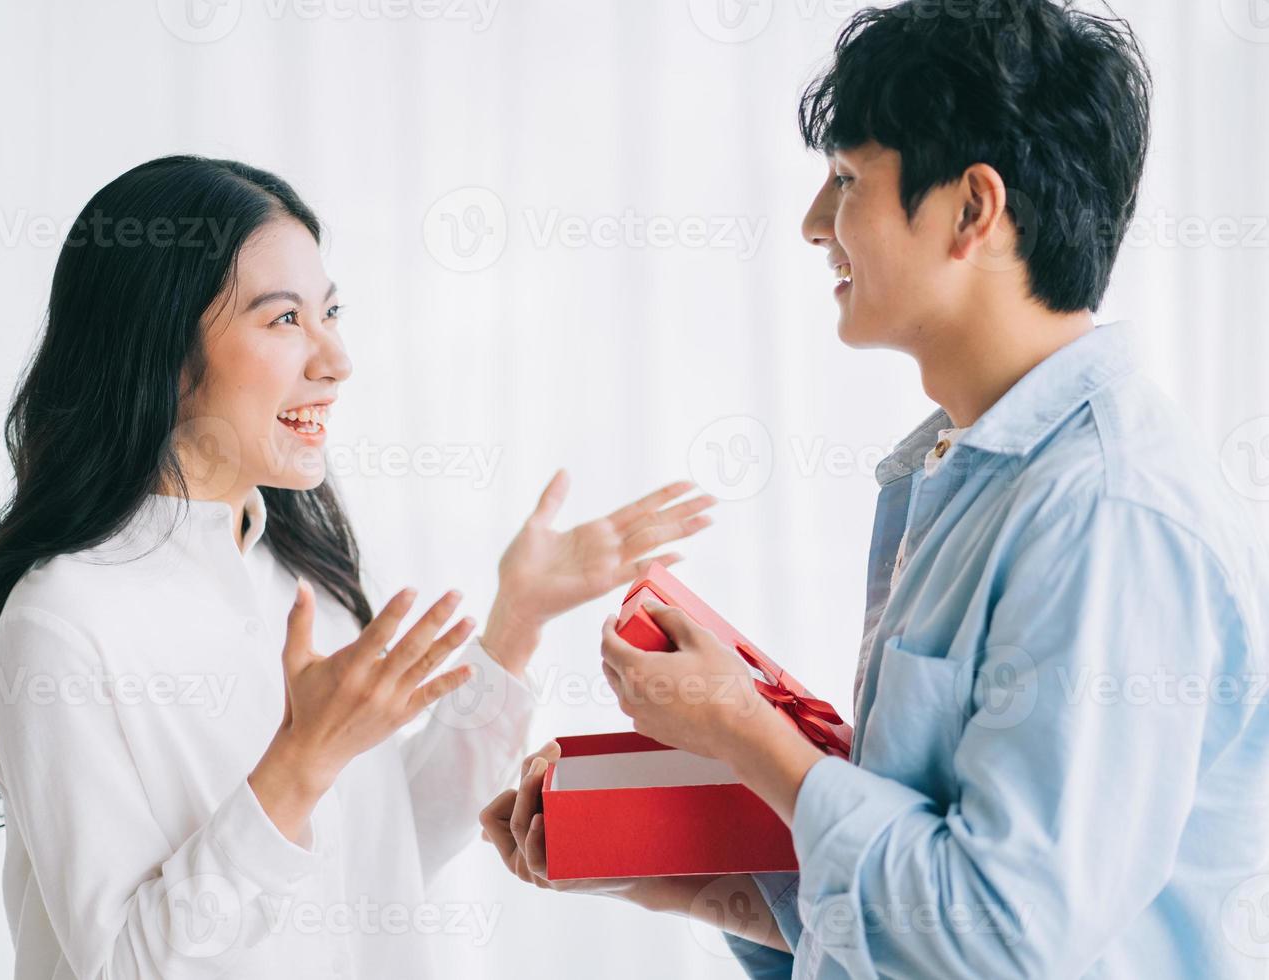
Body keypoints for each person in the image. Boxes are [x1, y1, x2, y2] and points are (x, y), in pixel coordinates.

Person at [480, 2, 1269, 978]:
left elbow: (989, 934)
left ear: (973, 210)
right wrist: (654, 864)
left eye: (848, 180)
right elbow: (911, 917)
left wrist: (742, 728)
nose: (816, 224)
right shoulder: (970, 475)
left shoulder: (1106, 513)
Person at [0, 155, 717, 979]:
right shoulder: (62, 624)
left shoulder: (300, 583)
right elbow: (123, 964)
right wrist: (301, 762)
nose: (335, 359)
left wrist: (517, 622)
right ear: (159, 347)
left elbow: (387, 847)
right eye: (284, 319)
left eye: (331, 311)